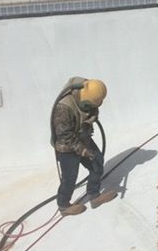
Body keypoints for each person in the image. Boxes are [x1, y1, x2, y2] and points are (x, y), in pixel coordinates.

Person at [50, 77, 117, 217]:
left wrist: (91, 118)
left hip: (82, 136)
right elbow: (64, 136)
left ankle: (94, 195)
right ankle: (63, 205)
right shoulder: (63, 107)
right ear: (83, 99)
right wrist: (83, 150)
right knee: (70, 177)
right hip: (67, 146)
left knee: (97, 161)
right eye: (90, 105)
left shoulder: (90, 91)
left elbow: (92, 110)